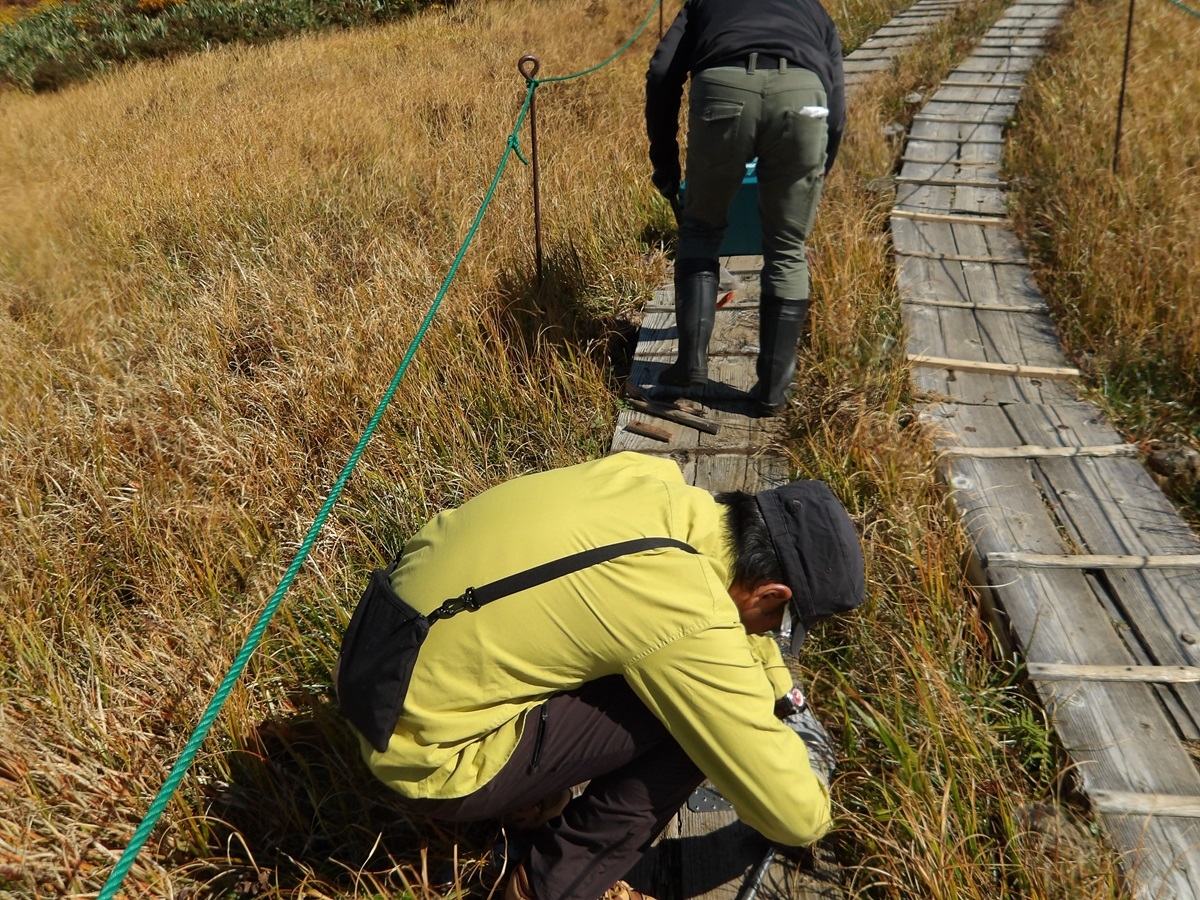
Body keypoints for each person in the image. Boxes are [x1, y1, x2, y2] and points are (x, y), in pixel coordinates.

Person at [337, 451, 864, 900]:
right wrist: (813, 777)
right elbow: (793, 816)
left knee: (629, 657)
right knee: (694, 731)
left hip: (377, 661)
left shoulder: (646, 476)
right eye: (779, 624)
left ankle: (527, 801)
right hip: (427, 757)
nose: (767, 635)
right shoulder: (688, 609)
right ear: (773, 595)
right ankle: (542, 885)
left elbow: (736, 637)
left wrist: (783, 691)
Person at [645, 0, 846, 415]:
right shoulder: (812, 8)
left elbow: (663, 72)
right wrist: (820, 165)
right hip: (805, 99)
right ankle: (773, 390)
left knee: (701, 229)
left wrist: (665, 160)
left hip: (724, 90)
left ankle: (690, 365)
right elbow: (838, 100)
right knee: (788, 247)